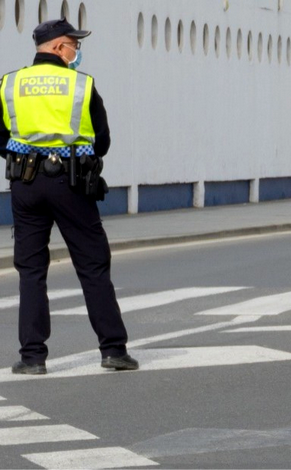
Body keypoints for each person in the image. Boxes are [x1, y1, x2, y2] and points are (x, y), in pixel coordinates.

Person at [0, 18, 138, 374]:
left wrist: (27, 157)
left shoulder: (9, 83)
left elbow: (0, 137)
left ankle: (32, 358)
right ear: (59, 47)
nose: (77, 50)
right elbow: (103, 140)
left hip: (25, 184)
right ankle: (113, 351)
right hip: (71, 183)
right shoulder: (81, 85)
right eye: (74, 44)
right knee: (92, 266)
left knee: (31, 270)